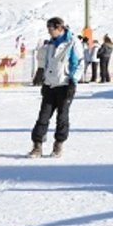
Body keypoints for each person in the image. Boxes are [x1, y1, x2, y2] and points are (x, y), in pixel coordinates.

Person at [28, 17, 81, 158]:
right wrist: (43, 78)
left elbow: (78, 63)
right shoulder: (50, 43)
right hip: (50, 84)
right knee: (43, 116)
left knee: (62, 117)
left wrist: (73, 81)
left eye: (51, 29)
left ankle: (58, 144)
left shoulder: (72, 42)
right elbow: (46, 62)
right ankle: (37, 145)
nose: (49, 32)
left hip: (65, 85)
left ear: (59, 28)